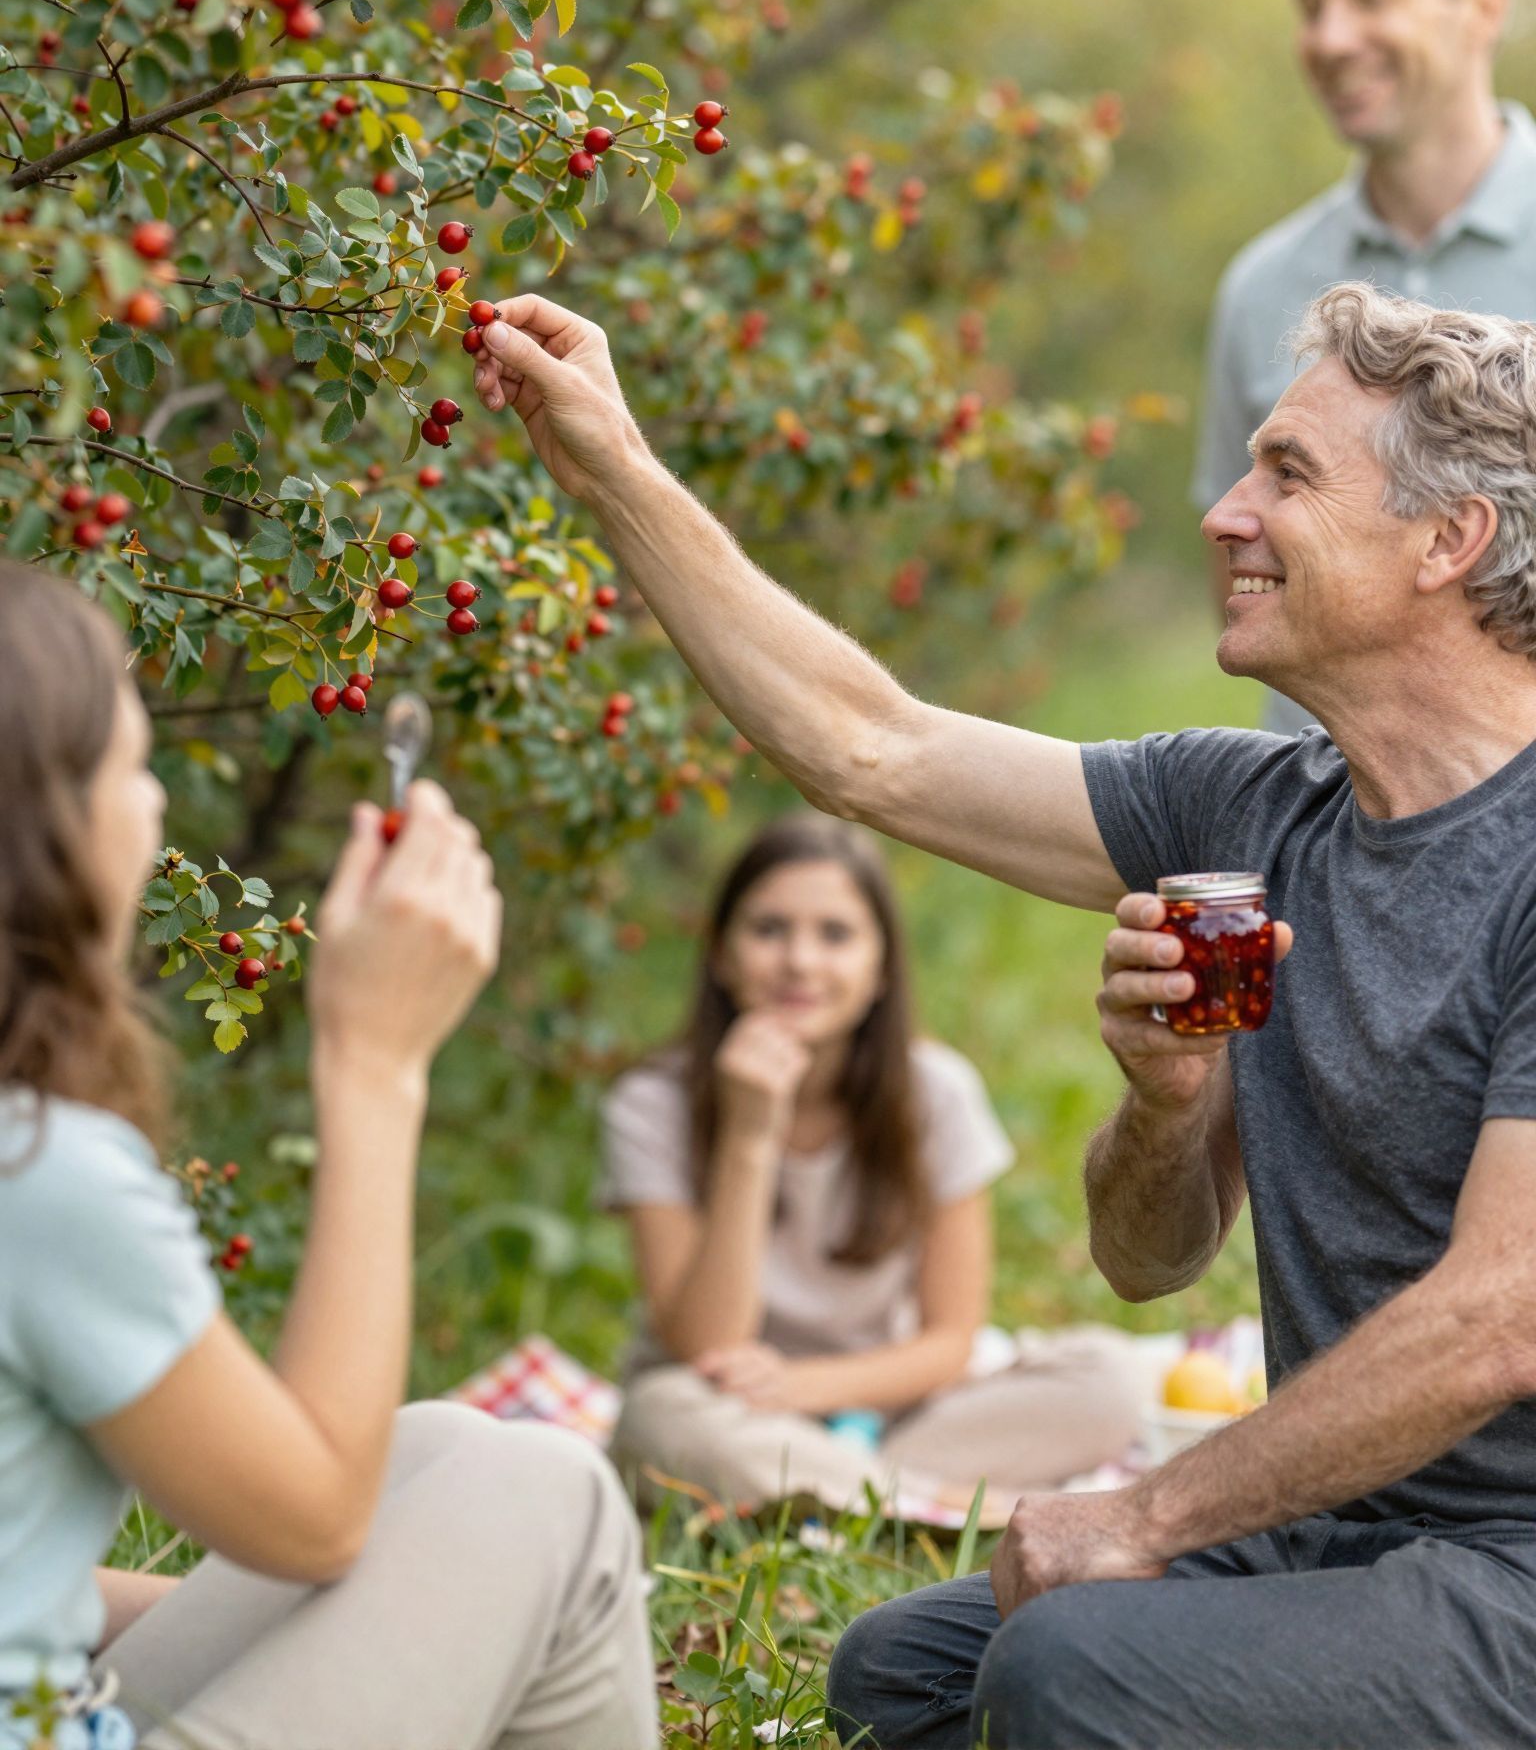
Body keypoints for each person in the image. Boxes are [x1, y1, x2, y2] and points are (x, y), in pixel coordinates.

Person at [467, 276, 1536, 1748]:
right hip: (1336, 1528)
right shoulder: (1246, 814)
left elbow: (1500, 1319)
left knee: (1062, 1670)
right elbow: (874, 752)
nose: (1225, 512)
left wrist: (1151, 1511)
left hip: (1516, 1581)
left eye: (1285, 473)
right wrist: (613, 467)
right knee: (906, 1670)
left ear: (1449, 539)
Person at [0, 564, 657, 1750]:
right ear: (44, 823)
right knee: (549, 1498)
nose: (153, 811)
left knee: (448, 1454)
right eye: (135, 767)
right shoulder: (37, 1169)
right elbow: (314, 1520)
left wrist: (362, 1622)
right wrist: (375, 1065)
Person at [603, 814, 1149, 1526]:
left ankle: (835, 1499)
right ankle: (937, 1509)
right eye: (768, 930)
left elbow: (951, 1340)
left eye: (835, 934)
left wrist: (803, 1388)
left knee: (1107, 1379)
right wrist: (748, 1136)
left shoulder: (936, 1093)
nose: (800, 961)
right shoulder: (652, 1104)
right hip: (722, 1409)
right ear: (721, 955)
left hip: (889, 1408)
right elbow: (708, 1346)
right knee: (656, 1417)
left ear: (880, 968)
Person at [1193, 0, 1536, 732]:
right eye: (1312, 6)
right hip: (1332, 844)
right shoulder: (1262, 285)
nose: (1332, 37)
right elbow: (1241, 586)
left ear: (1483, 7)